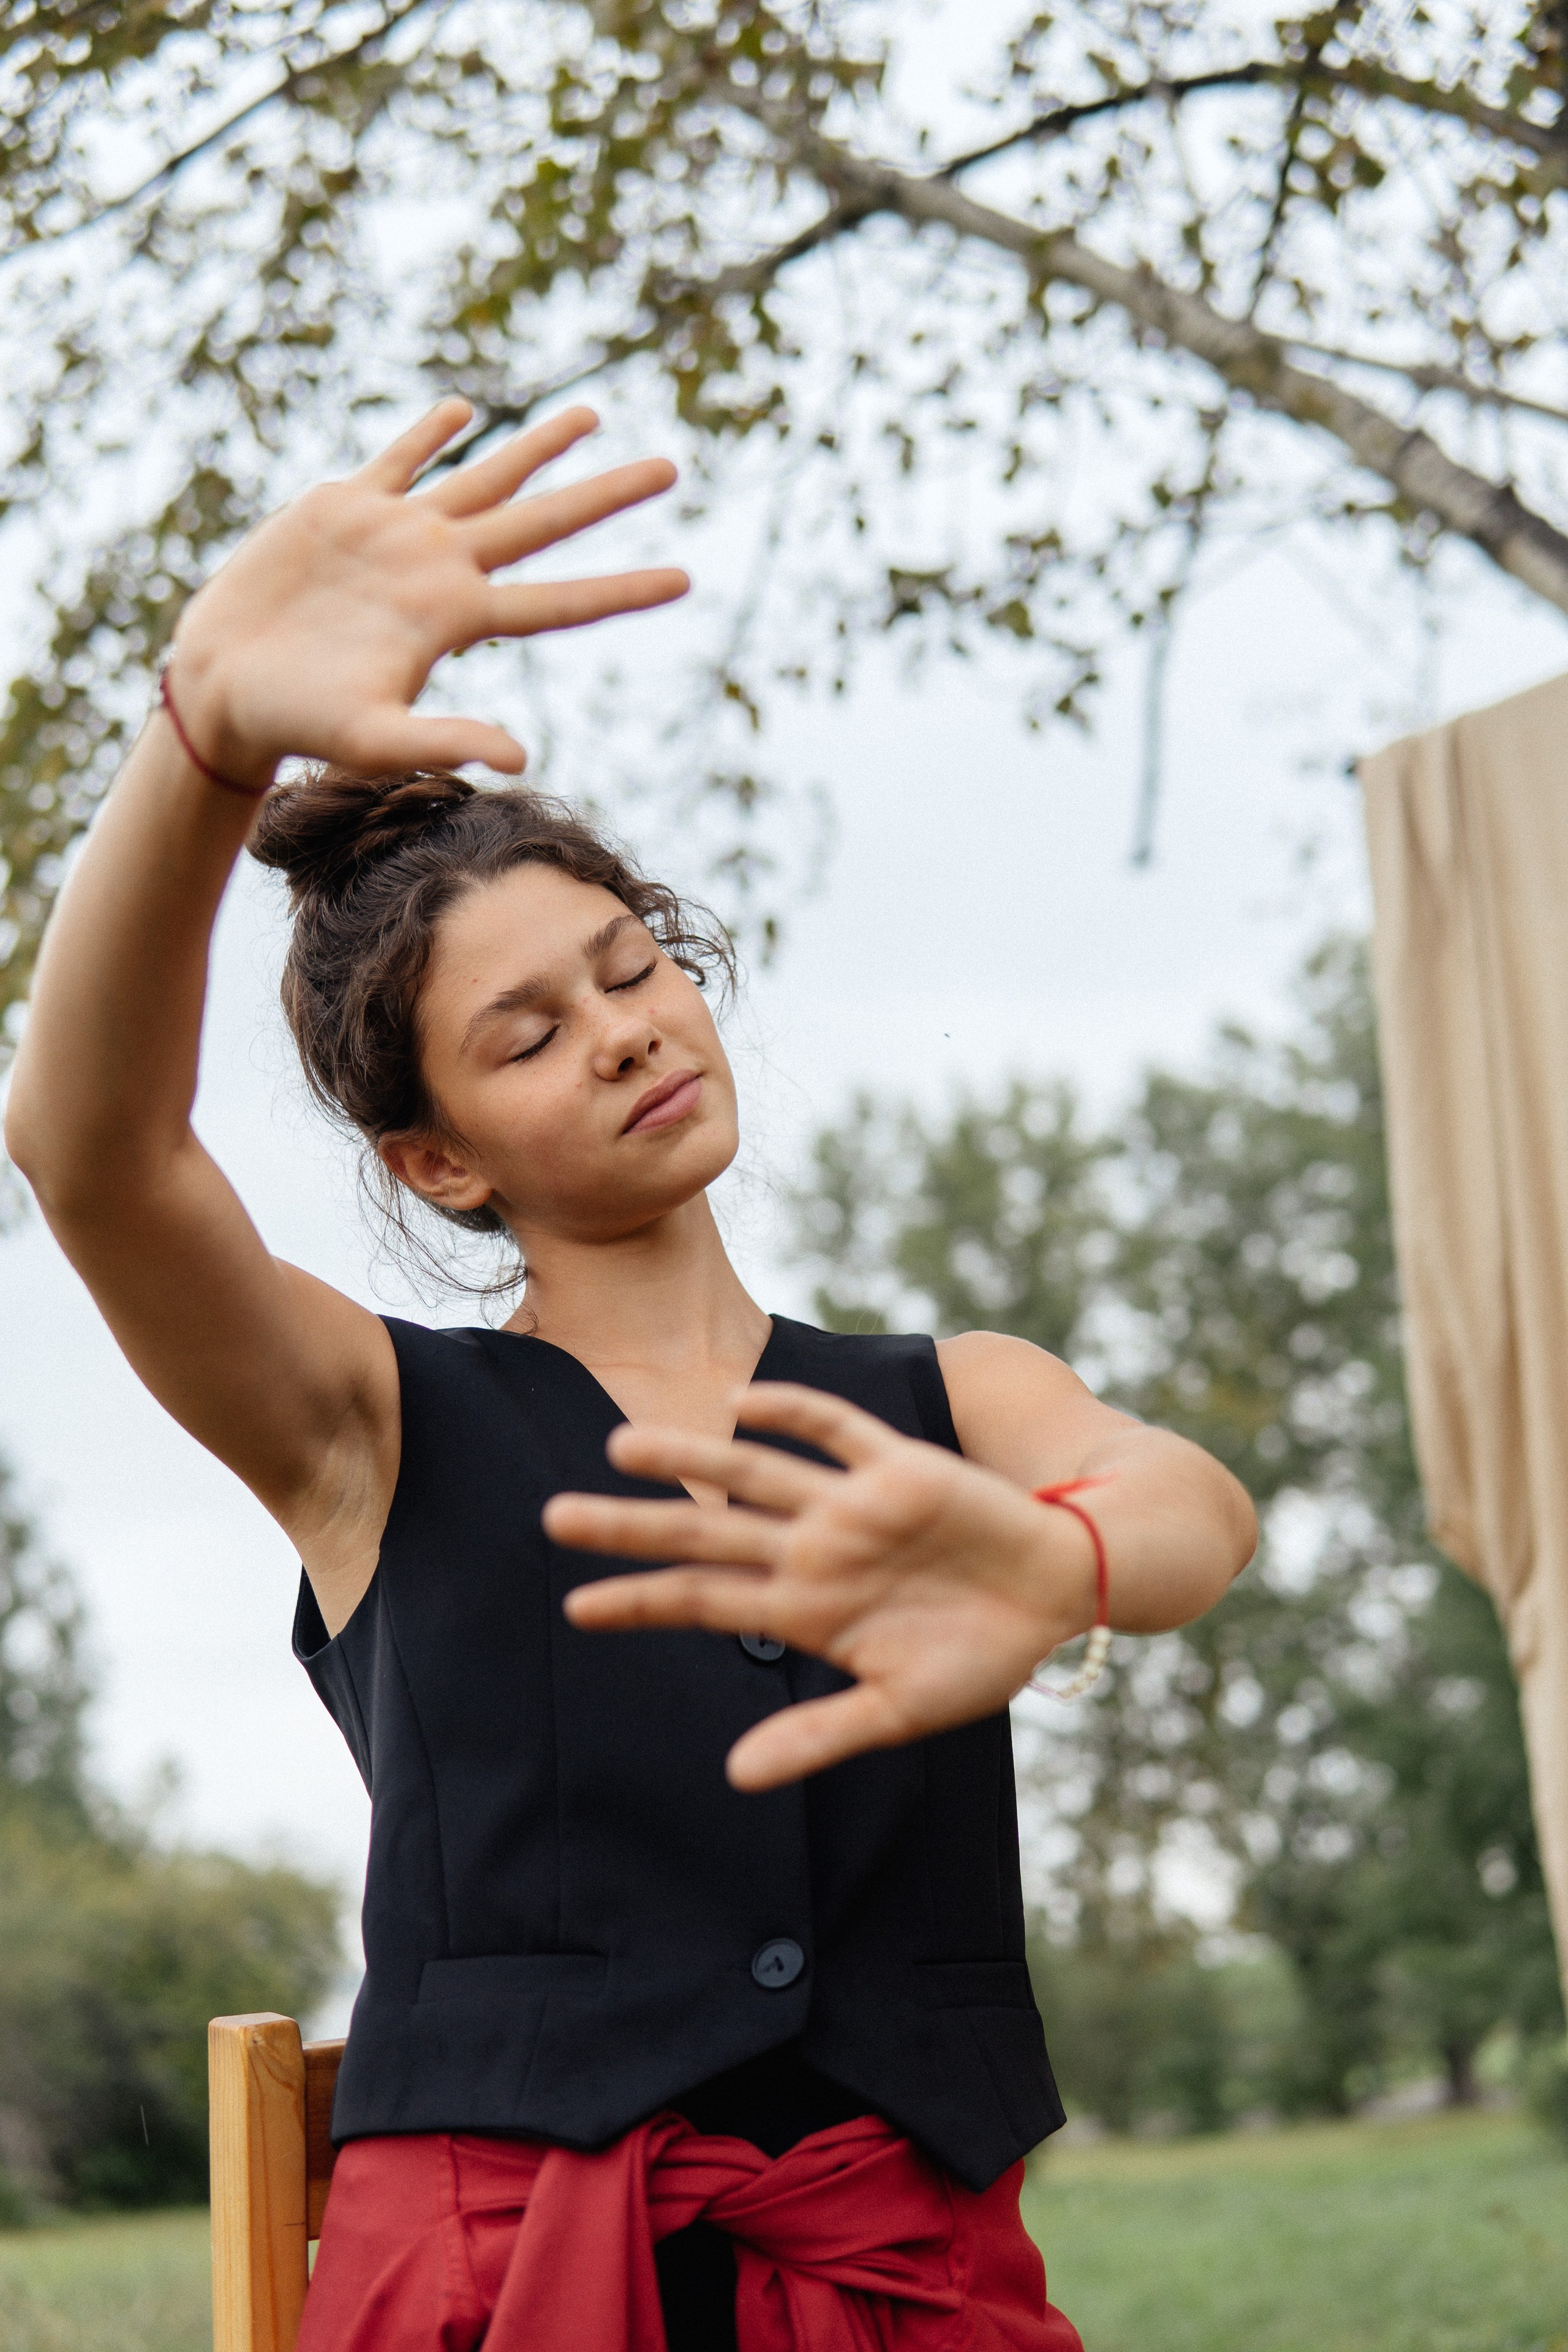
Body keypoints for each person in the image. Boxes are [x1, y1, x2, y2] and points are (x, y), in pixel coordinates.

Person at [4, 398, 1256, 2351]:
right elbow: (90, 1152)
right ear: (439, 1158)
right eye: (525, 1034)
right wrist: (204, 738)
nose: (619, 1031)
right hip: (500, 2301)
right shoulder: (367, 1424)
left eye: (629, 965)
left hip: (907, 2293)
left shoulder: (950, 1395)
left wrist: (1062, 1564)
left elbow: (1187, 1506)